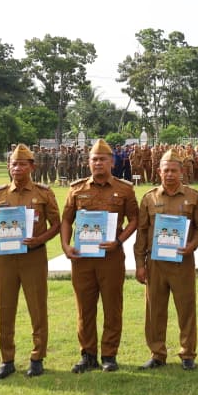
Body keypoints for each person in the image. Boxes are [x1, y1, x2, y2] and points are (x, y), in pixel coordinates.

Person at [60, 138, 139, 374]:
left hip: (110, 256)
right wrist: (65, 245)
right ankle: (88, 354)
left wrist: (118, 240)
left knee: (112, 306)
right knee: (85, 307)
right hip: (82, 258)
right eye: (94, 159)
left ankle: (109, 355)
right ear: (89, 163)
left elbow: (134, 219)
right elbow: (66, 219)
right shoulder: (77, 189)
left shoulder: (124, 190)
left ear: (112, 162)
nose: (98, 163)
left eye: (103, 159)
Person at [0, 144, 61, 379]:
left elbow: (57, 224)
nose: (17, 168)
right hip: (5, 260)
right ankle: (6, 359)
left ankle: (37, 357)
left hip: (34, 257)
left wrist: (39, 239)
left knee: (37, 308)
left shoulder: (43, 192)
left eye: (22, 164)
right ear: (9, 167)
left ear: (32, 167)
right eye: (13, 164)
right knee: (5, 309)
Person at [135, 150, 198, 370]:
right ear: (159, 172)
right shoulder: (149, 198)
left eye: (174, 170)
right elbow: (142, 232)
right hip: (155, 263)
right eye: (166, 170)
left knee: (186, 308)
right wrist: (139, 264)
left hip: (182, 262)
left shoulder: (193, 197)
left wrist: (191, 246)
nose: (170, 174)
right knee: (154, 309)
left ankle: (187, 354)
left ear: (181, 172)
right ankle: (157, 353)